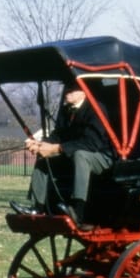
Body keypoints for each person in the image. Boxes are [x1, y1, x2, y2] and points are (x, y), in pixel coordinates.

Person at [10, 82, 114, 230]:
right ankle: (38, 208)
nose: (67, 92)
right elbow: (57, 136)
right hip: (73, 154)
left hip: (103, 156)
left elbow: (91, 143)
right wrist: (39, 144)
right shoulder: (66, 110)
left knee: (80, 155)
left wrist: (56, 148)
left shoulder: (96, 109)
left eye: (72, 89)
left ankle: (78, 211)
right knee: (43, 158)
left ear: (84, 92)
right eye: (66, 88)